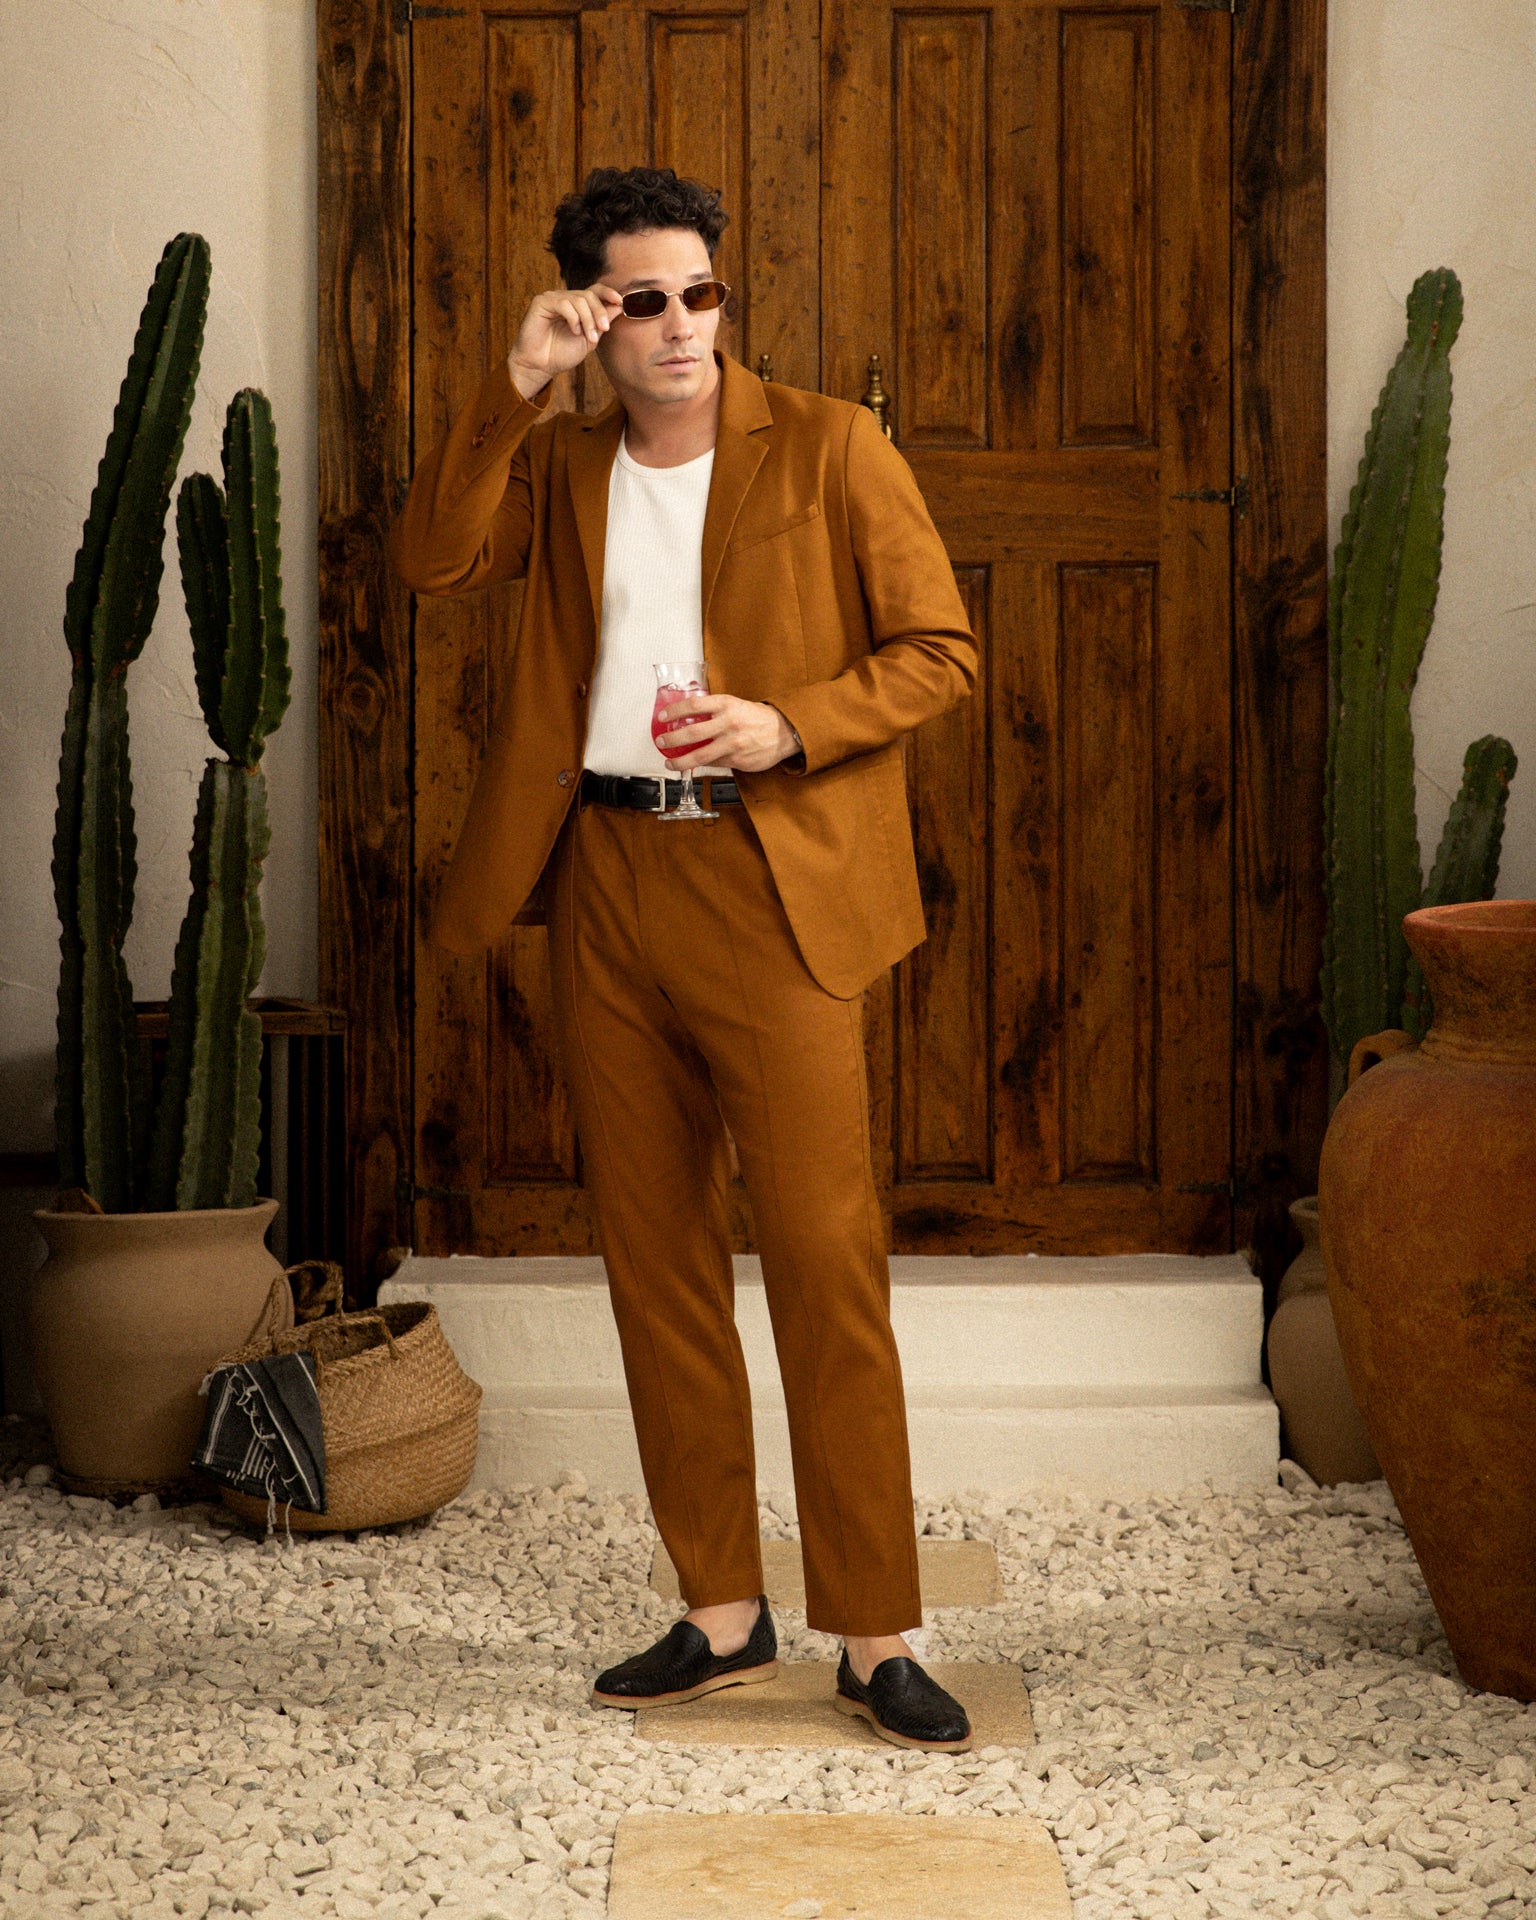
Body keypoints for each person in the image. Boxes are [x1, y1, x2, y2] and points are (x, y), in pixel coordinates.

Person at [388, 165, 978, 1751]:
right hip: (606, 877)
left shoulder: (832, 446)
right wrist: (518, 385)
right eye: (639, 301)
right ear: (593, 314)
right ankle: (721, 1608)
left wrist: (793, 723)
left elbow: (941, 652)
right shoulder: (563, 461)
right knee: (655, 1264)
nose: (677, 327)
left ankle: (875, 1629)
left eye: (698, 294)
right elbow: (431, 561)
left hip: (771, 884)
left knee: (826, 1261)